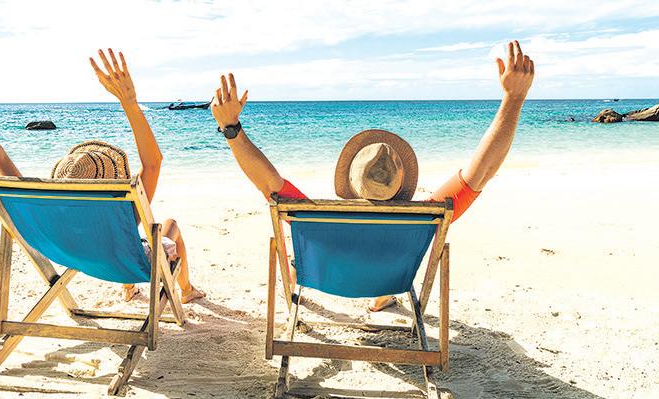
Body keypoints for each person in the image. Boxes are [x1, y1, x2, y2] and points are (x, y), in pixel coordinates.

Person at [210, 40, 535, 311]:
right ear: (401, 182)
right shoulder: (425, 218)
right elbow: (481, 171)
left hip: (328, 280)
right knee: (388, 255)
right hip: (390, 275)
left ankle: (308, 277)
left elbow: (267, 181)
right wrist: (514, 99)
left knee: (303, 251)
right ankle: (382, 294)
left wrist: (231, 127)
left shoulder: (312, 215)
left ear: (351, 179)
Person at [0, 50, 205, 304]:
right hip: (128, 264)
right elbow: (153, 164)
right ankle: (186, 290)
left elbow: (0, 160)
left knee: (123, 239)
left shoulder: (47, 210)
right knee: (168, 226)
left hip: (74, 257)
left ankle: (129, 290)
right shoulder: (122, 210)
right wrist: (129, 102)